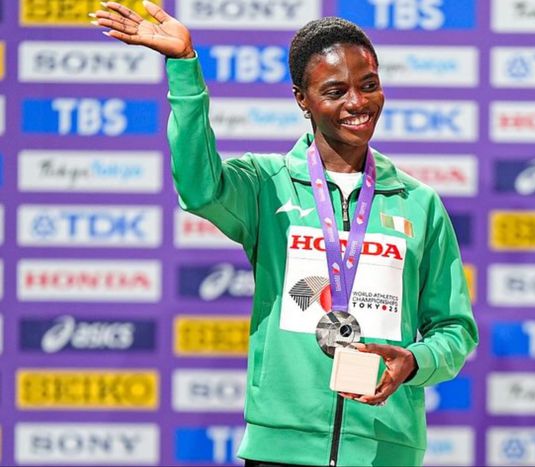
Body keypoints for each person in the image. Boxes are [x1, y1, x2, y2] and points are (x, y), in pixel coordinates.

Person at [93, 2, 478, 465]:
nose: (358, 103)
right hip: (280, 448)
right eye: (335, 91)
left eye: (369, 85)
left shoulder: (418, 203)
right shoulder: (266, 183)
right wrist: (184, 68)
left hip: (384, 451)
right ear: (302, 99)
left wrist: (415, 362)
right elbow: (199, 188)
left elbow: (454, 329)